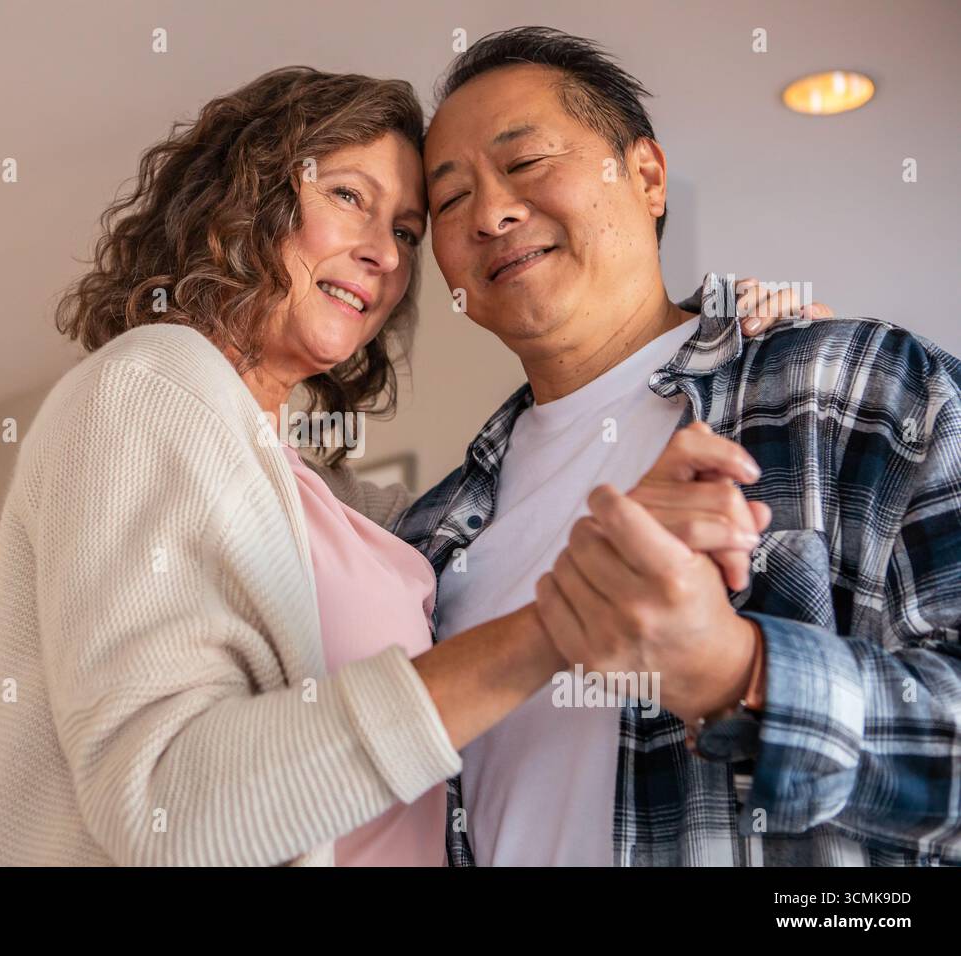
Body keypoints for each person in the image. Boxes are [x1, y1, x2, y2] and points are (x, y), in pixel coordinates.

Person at [0, 65, 813, 866]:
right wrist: (555, 629)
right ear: (245, 202)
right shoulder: (148, 381)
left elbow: (511, 533)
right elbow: (160, 800)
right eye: (347, 197)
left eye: (408, 230)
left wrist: (725, 336)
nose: (387, 255)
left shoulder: (345, 502)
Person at [401, 25, 961, 866]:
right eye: (449, 202)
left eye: (524, 165)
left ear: (648, 176)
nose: (492, 213)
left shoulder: (856, 388)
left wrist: (743, 672)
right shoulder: (429, 539)